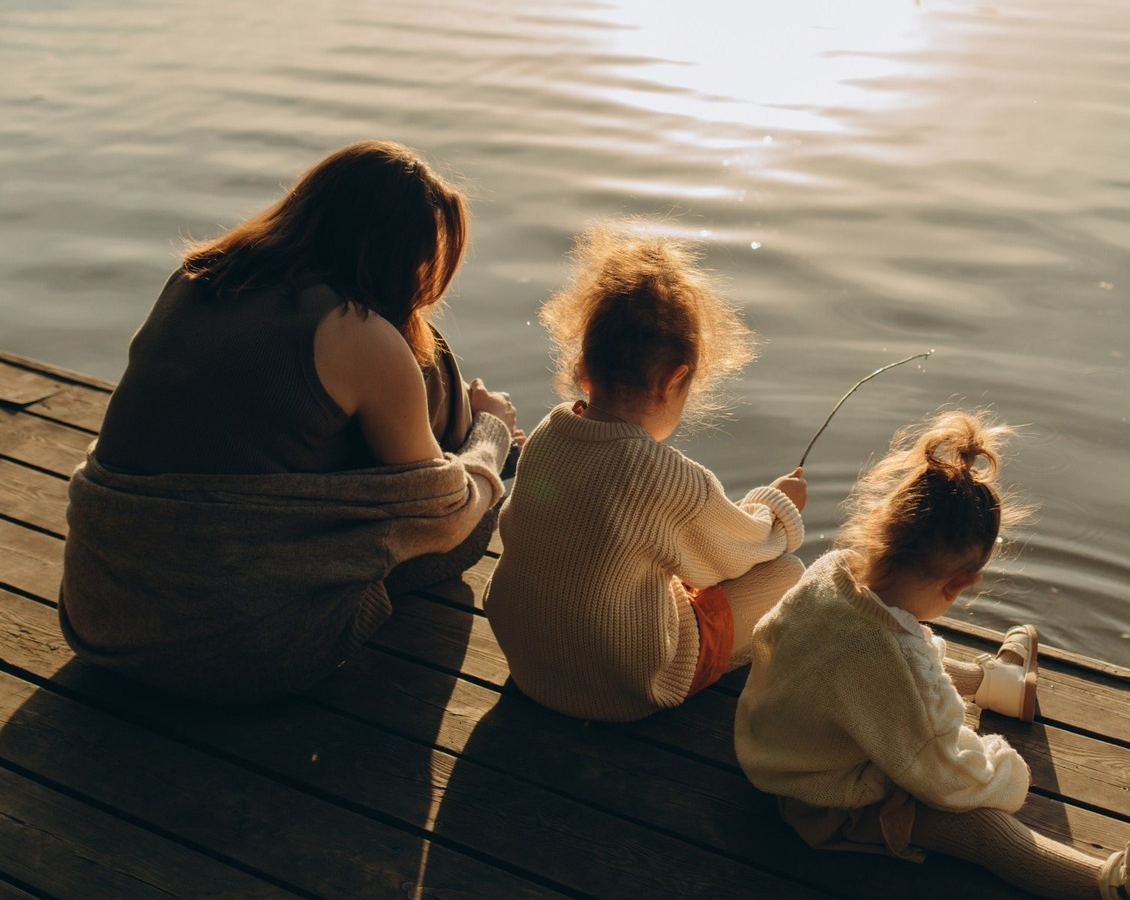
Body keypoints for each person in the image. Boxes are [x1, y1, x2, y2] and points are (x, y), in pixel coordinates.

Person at [60, 140, 522, 703]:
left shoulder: (196, 277)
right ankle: (472, 445)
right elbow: (444, 518)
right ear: (405, 254)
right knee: (475, 501)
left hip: (98, 618)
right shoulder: (356, 332)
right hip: (236, 652)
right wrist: (491, 434)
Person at [734, 410, 1130, 900]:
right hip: (828, 798)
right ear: (960, 584)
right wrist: (1007, 771)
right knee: (987, 834)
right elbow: (944, 774)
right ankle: (1117, 886)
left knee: (909, 657)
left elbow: (899, 661)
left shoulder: (831, 574)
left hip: (784, 742)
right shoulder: (889, 663)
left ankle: (994, 682)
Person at [483, 224, 806, 723]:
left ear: (585, 367)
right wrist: (778, 508)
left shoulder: (550, 432)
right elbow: (743, 552)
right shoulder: (661, 476)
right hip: (621, 687)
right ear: (675, 378)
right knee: (787, 574)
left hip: (528, 661)